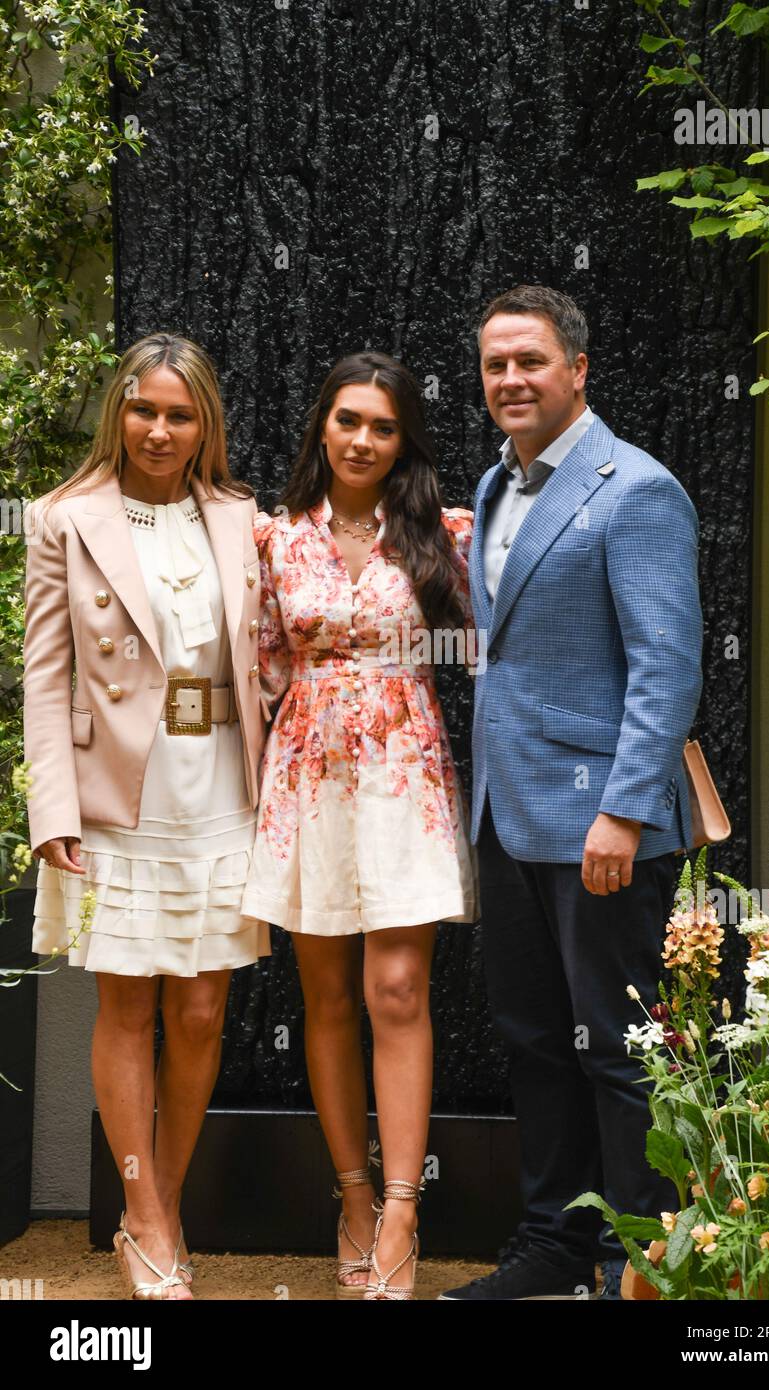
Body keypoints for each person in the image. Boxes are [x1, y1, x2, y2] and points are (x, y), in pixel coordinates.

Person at [440, 285, 703, 1301]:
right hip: (510, 819)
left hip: (603, 823)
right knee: (535, 1041)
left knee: (618, 1053)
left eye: (530, 361)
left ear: (577, 369)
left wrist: (624, 812)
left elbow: (666, 666)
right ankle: (551, 1243)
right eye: (494, 363)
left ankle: (634, 1260)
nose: (510, 378)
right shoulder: (496, 486)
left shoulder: (633, 489)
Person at [23, 333, 270, 1299]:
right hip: (115, 797)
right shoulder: (62, 519)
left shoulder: (243, 517)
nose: (159, 430)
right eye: (142, 410)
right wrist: (52, 804)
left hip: (220, 787)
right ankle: (143, 1211)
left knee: (203, 1005)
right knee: (127, 1002)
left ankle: (158, 1202)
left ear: (204, 422)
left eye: (179, 413)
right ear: (116, 414)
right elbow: (46, 681)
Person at [240, 351, 477, 1300]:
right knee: (327, 996)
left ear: (402, 439)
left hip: (405, 772)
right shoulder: (273, 542)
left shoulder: (444, 532)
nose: (363, 439)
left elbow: (512, 630)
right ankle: (352, 1195)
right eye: (348, 421)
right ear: (322, 428)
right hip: (305, 776)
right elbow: (259, 670)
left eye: (382, 426)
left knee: (397, 988)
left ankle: (404, 1211)